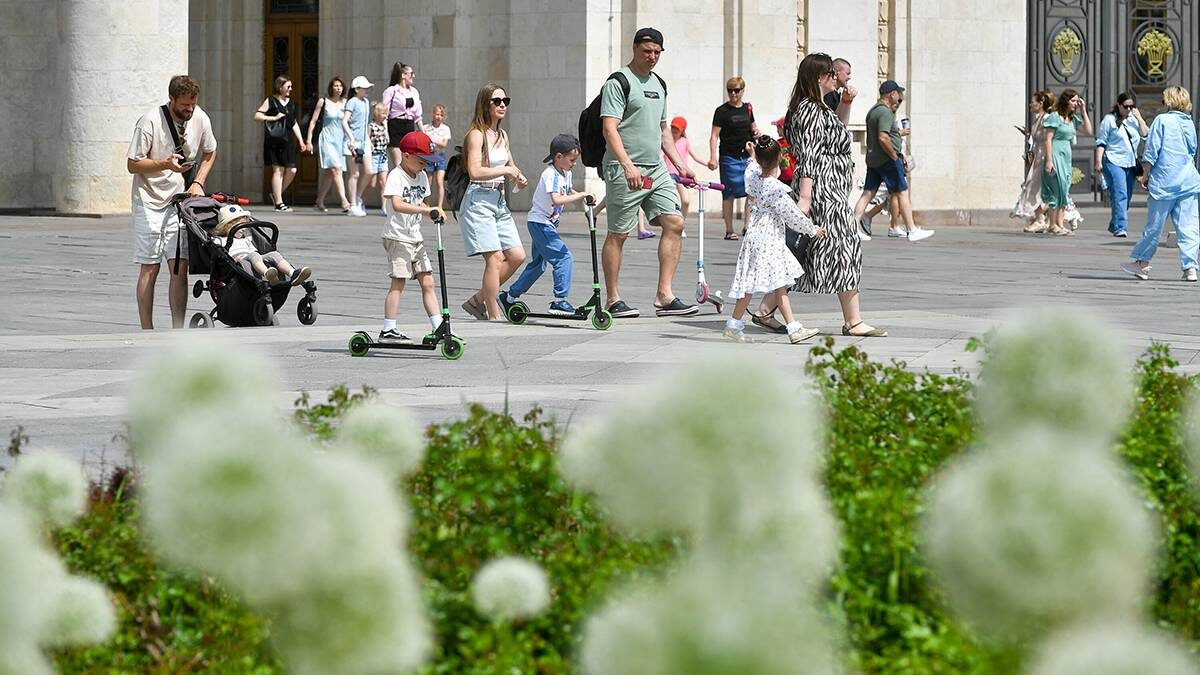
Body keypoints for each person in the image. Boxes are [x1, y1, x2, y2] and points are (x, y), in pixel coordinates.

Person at [777, 52, 886, 337]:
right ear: (819, 77)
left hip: (830, 188)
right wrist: (805, 198)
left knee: (808, 250)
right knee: (846, 248)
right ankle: (853, 320)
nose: (836, 78)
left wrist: (847, 103)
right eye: (831, 73)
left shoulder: (817, 107)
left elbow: (837, 129)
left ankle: (765, 309)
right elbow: (810, 155)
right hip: (823, 191)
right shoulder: (810, 109)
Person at [599, 27, 698, 318]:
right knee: (619, 233)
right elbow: (609, 128)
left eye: (657, 52)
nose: (652, 57)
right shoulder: (619, 82)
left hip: (655, 169)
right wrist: (628, 165)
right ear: (635, 49)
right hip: (623, 169)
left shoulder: (659, 83)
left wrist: (680, 165)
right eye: (647, 51)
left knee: (675, 222)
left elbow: (663, 130)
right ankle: (613, 299)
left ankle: (664, 296)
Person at [126, 75, 217, 330]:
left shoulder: (200, 118)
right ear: (172, 99)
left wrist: (197, 182)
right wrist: (164, 164)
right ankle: (147, 329)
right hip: (149, 201)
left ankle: (178, 330)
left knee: (179, 266)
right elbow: (132, 164)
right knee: (150, 267)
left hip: (180, 204)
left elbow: (210, 152)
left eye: (193, 104)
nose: (189, 109)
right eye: (185, 105)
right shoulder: (149, 121)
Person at [723, 136, 823, 345]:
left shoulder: (752, 176)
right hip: (770, 237)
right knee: (779, 282)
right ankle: (794, 328)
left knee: (755, 283)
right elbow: (794, 215)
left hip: (754, 236)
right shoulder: (776, 189)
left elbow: (751, 167)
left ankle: (734, 325)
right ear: (779, 158)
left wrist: (752, 156)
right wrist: (812, 230)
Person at [499, 134, 593, 316]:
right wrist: (581, 195)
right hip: (540, 224)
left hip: (545, 224)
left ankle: (509, 297)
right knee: (564, 258)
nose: (574, 163)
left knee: (538, 265)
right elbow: (557, 198)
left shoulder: (566, 172)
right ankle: (560, 301)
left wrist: (583, 194)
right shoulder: (549, 174)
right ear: (559, 157)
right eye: (572, 160)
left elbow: (566, 190)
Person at [458, 83, 528, 321]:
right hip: (478, 201)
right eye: (496, 101)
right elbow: (475, 171)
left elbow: (510, 165)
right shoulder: (476, 135)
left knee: (517, 255)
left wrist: (518, 176)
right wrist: (507, 171)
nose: (501, 105)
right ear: (484, 105)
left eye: (505, 101)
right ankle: (492, 313)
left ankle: (478, 300)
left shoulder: (502, 135)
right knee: (495, 259)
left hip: (498, 200)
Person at [1121, 86, 1200, 282]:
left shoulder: (1162, 120)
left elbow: (1152, 148)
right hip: (1187, 180)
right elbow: (1192, 149)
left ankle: (1142, 263)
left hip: (1165, 181)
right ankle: (1190, 268)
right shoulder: (1188, 122)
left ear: (1169, 101)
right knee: (1189, 226)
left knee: (1154, 226)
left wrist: (1146, 173)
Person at [379, 130, 444, 342]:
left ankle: (438, 327)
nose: (425, 165)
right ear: (406, 155)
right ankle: (388, 329)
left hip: (415, 237)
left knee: (428, 282)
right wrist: (425, 211)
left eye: (428, 161)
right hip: (397, 237)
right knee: (399, 282)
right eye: (422, 160)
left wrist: (434, 211)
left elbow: (423, 203)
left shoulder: (422, 175)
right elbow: (397, 204)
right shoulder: (396, 175)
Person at [852, 80, 934, 242]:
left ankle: (852, 228)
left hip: (874, 159)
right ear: (892, 94)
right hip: (887, 159)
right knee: (902, 191)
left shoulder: (873, 111)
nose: (899, 99)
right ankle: (912, 229)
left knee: (868, 193)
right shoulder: (885, 112)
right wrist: (894, 155)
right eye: (898, 95)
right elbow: (883, 137)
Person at [707, 76, 759, 240]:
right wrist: (713, 157)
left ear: (742, 91)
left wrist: (757, 133)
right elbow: (714, 136)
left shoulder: (748, 108)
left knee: (751, 191)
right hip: (729, 157)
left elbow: (753, 128)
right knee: (728, 193)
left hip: (747, 156)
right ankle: (729, 230)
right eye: (730, 90)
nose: (733, 94)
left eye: (737, 90)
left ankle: (747, 225)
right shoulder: (722, 111)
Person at [212, 204, 312, 286]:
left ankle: (293, 273)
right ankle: (267, 274)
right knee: (254, 255)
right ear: (226, 227)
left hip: (254, 259)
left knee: (274, 254)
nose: (243, 229)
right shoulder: (219, 240)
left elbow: (255, 252)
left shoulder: (245, 240)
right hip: (238, 263)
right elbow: (219, 256)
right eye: (239, 226)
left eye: (244, 226)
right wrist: (233, 259)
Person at [1095, 91, 1148, 238]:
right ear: (1118, 105)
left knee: (1127, 196)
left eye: (1132, 106)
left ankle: (1115, 223)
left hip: (1130, 162)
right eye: (1126, 106)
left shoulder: (1134, 119)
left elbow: (1145, 134)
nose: (1129, 109)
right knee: (1120, 193)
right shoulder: (1109, 120)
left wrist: (1139, 117)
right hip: (1113, 160)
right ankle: (1120, 227)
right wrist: (1098, 161)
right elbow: (1101, 141)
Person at [1042, 88, 1093, 235]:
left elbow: (1088, 131)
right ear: (1066, 101)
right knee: (1056, 187)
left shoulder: (1072, 119)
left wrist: (1083, 111)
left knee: (1064, 189)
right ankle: (1052, 224)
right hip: (1056, 153)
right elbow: (1048, 139)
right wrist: (1049, 160)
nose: (1076, 103)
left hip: (1066, 156)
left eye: (1077, 101)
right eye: (1073, 101)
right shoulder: (1055, 117)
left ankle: (1059, 224)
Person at [255, 76, 307, 212]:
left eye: (291, 86)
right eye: (288, 86)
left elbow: (294, 123)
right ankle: (279, 203)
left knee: (292, 170)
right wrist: (273, 117)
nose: (290, 89)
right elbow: (257, 116)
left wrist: (301, 140)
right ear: (280, 87)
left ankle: (276, 194)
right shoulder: (271, 100)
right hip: (274, 141)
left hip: (288, 141)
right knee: (278, 170)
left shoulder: (292, 104)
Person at [305, 76, 355, 213]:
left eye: (340, 85)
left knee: (330, 172)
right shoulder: (324, 101)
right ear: (331, 87)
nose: (338, 88)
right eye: (335, 85)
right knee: (336, 169)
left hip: (341, 139)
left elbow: (351, 122)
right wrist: (309, 140)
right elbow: (313, 121)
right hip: (327, 138)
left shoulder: (346, 103)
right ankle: (344, 201)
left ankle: (319, 200)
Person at [1012, 90, 1054, 233]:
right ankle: (1040, 219)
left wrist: (1049, 160)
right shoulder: (1038, 118)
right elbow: (1038, 138)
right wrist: (1029, 134)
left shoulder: (1047, 118)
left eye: (1033, 101)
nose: (1031, 104)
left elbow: (1049, 139)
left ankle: (1040, 219)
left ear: (1041, 103)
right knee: (1034, 188)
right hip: (1037, 156)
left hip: (1043, 157)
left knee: (1035, 188)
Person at [662, 115, 705, 235]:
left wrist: (707, 164)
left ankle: (680, 224)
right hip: (668, 175)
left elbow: (695, 157)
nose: (674, 131)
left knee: (685, 201)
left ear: (682, 131)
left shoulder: (685, 142)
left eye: (677, 130)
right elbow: (660, 155)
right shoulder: (667, 141)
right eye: (673, 128)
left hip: (681, 176)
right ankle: (672, 225)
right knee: (672, 201)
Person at [382, 62, 423, 170]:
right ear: (403, 75)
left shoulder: (414, 92)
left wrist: (423, 133)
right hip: (395, 125)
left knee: (409, 162)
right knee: (399, 163)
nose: (413, 76)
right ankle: (399, 185)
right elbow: (384, 113)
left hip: (409, 125)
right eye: (411, 73)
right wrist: (385, 131)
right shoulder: (391, 91)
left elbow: (418, 116)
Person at [344, 75, 373, 217]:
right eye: (364, 88)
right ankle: (352, 205)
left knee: (369, 171)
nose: (367, 90)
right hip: (352, 143)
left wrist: (368, 140)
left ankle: (357, 196)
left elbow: (365, 123)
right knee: (354, 173)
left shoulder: (366, 102)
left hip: (364, 142)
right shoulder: (352, 102)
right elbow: (345, 122)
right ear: (356, 89)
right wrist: (351, 139)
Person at [422, 104, 452, 209]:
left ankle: (439, 206)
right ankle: (426, 204)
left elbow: (444, 144)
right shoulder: (426, 128)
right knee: (428, 182)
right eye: (437, 114)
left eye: (441, 115)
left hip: (440, 156)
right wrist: (436, 140)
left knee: (440, 182)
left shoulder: (446, 129)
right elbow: (424, 142)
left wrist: (431, 139)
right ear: (433, 114)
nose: (438, 117)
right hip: (428, 156)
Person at [364, 102, 390, 216]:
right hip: (374, 156)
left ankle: (384, 207)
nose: (385, 116)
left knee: (383, 182)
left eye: (386, 113)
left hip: (383, 156)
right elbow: (367, 137)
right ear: (377, 114)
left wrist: (386, 126)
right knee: (372, 183)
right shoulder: (371, 126)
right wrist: (370, 145)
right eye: (383, 113)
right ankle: (361, 200)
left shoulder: (384, 126)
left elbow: (388, 140)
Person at [821, 58, 858, 125]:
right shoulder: (827, 93)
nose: (850, 77)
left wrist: (847, 100)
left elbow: (839, 122)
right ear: (836, 73)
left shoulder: (836, 93)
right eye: (847, 73)